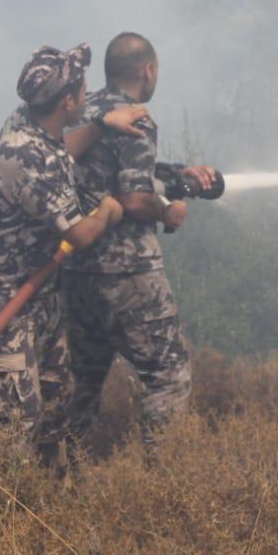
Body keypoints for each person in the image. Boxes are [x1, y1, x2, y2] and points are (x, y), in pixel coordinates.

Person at [0, 42, 149, 467]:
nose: (88, 93)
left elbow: (62, 151)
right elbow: (79, 233)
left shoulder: (32, 119)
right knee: (19, 422)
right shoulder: (23, 155)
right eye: (82, 89)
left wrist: (100, 123)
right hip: (0, 301)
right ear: (67, 100)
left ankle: (51, 504)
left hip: (36, 293)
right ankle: (7, 517)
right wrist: (109, 211)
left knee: (58, 403)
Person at [62, 32, 217, 451]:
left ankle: (51, 476)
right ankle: (159, 480)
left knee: (81, 380)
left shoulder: (83, 113)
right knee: (169, 371)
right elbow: (132, 199)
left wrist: (174, 175)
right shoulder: (137, 118)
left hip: (75, 271)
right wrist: (168, 211)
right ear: (147, 70)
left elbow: (99, 174)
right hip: (127, 272)